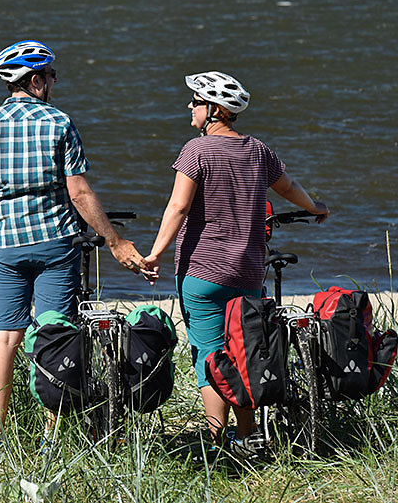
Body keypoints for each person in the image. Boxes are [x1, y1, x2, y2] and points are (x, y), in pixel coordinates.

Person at [0, 40, 146, 447]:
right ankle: (51, 433)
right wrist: (114, 240)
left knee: (4, 338)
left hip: (6, 246)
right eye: (51, 75)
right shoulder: (58, 122)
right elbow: (79, 193)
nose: (54, 82)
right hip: (54, 244)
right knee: (53, 333)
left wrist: (0, 218)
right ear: (36, 80)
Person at [141, 71, 329, 446]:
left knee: (209, 355)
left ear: (213, 109)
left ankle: (216, 438)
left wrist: (154, 254)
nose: (189, 107)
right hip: (247, 273)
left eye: (194, 101)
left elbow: (179, 207)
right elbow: (288, 187)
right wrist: (315, 207)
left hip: (202, 272)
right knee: (245, 352)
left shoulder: (196, 150)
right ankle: (247, 436)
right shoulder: (258, 150)